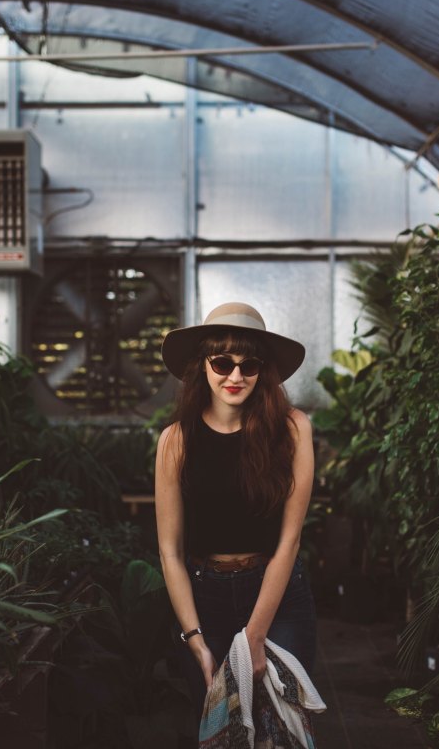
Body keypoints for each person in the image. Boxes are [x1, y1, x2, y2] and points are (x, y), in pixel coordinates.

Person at [154, 301, 318, 716]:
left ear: (264, 371)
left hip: (276, 595)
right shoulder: (175, 441)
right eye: (223, 362)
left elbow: (290, 540)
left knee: (282, 726)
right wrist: (193, 636)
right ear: (202, 365)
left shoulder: (293, 429)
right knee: (219, 728)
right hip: (203, 597)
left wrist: (256, 635)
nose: (236, 376)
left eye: (249, 365)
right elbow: (169, 551)